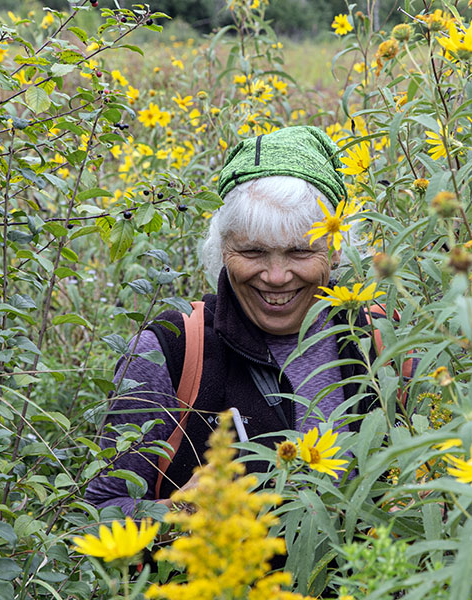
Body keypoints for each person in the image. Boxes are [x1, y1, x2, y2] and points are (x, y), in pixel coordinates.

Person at [85, 126, 381, 515]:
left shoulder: (379, 340)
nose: (276, 276)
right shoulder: (171, 352)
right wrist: (176, 515)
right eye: (253, 251)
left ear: (337, 250)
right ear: (223, 250)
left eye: (300, 251)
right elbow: (95, 513)